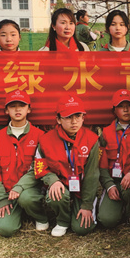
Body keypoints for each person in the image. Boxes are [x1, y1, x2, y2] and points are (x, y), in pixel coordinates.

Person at [0, 90, 48, 237]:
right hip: (7, 194)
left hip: (29, 191)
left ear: (29, 109)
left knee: (27, 198)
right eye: (13, 106)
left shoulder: (39, 136)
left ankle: (40, 216)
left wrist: (20, 186)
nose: (17, 109)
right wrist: (1, 199)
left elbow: (39, 169)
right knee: (5, 229)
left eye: (22, 105)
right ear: (6, 110)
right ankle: (17, 213)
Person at [32, 94, 100, 236]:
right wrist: (52, 180)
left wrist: (87, 205)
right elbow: (40, 167)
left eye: (78, 116)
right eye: (68, 117)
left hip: (82, 187)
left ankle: (86, 206)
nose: (74, 122)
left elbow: (92, 175)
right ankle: (62, 221)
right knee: (56, 194)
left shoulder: (92, 140)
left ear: (83, 117)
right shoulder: (46, 140)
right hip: (61, 185)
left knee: (82, 229)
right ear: (58, 119)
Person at [98, 89, 130, 228]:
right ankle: (120, 207)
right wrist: (109, 185)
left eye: (129, 105)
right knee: (107, 220)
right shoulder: (106, 133)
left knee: (129, 188)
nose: (125, 109)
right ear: (114, 110)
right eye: (121, 106)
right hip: (115, 181)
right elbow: (101, 165)